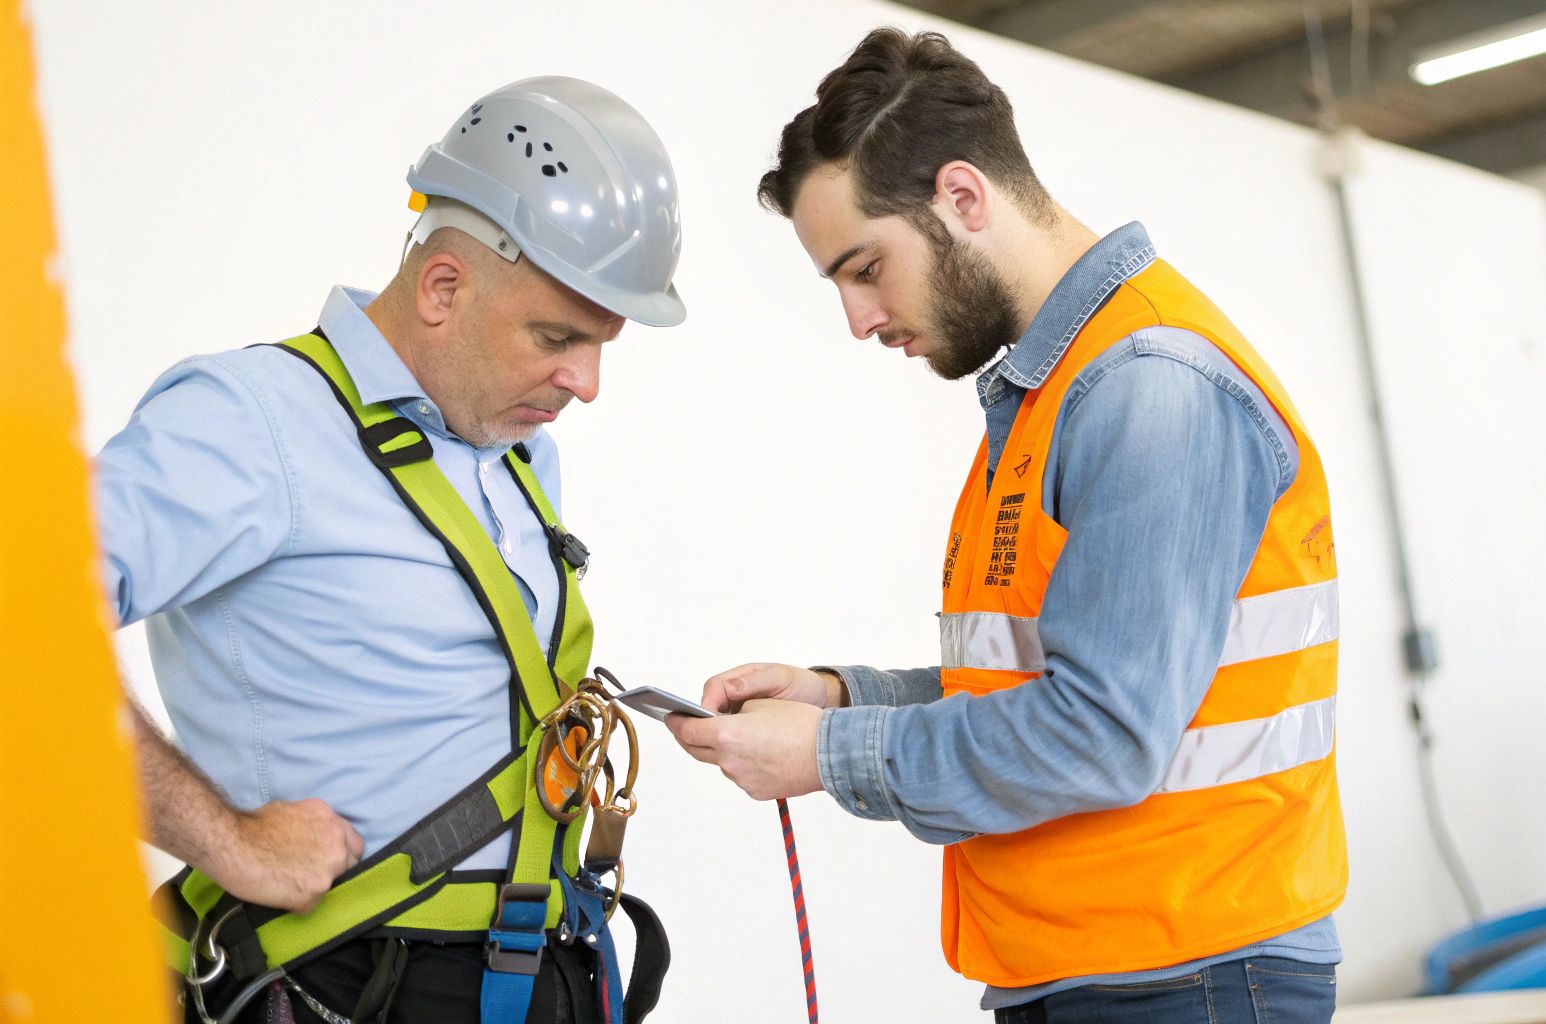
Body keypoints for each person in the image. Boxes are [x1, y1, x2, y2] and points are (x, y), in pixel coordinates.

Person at [667, 28, 1346, 1023]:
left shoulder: (1148, 389)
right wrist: (835, 695)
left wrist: (828, 751)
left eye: (864, 268)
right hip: (1108, 970)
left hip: (1187, 975)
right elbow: (1042, 680)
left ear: (961, 197)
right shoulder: (1052, 396)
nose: (859, 319)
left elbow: (1103, 733)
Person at [101, 76, 683, 1024]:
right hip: (342, 983)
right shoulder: (253, 420)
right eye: (557, 336)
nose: (585, 381)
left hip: (539, 968)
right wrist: (229, 842)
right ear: (442, 286)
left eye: (603, 343)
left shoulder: (519, 449)